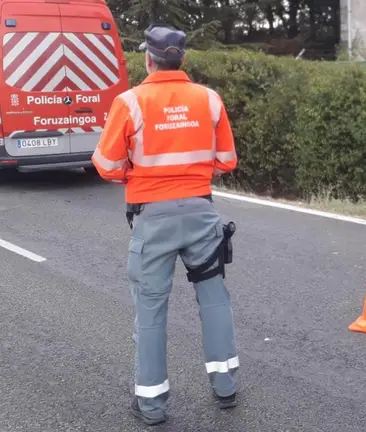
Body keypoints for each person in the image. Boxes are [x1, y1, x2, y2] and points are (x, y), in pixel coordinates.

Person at [91, 23, 240, 426]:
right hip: (201, 213)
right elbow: (226, 159)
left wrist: (135, 175)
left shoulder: (130, 102)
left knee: (151, 311)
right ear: (184, 59)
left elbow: (105, 165)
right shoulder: (209, 100)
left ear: (148, 58)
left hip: (151, 218)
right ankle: (226, 387)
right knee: (214, 300)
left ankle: (153, 405)